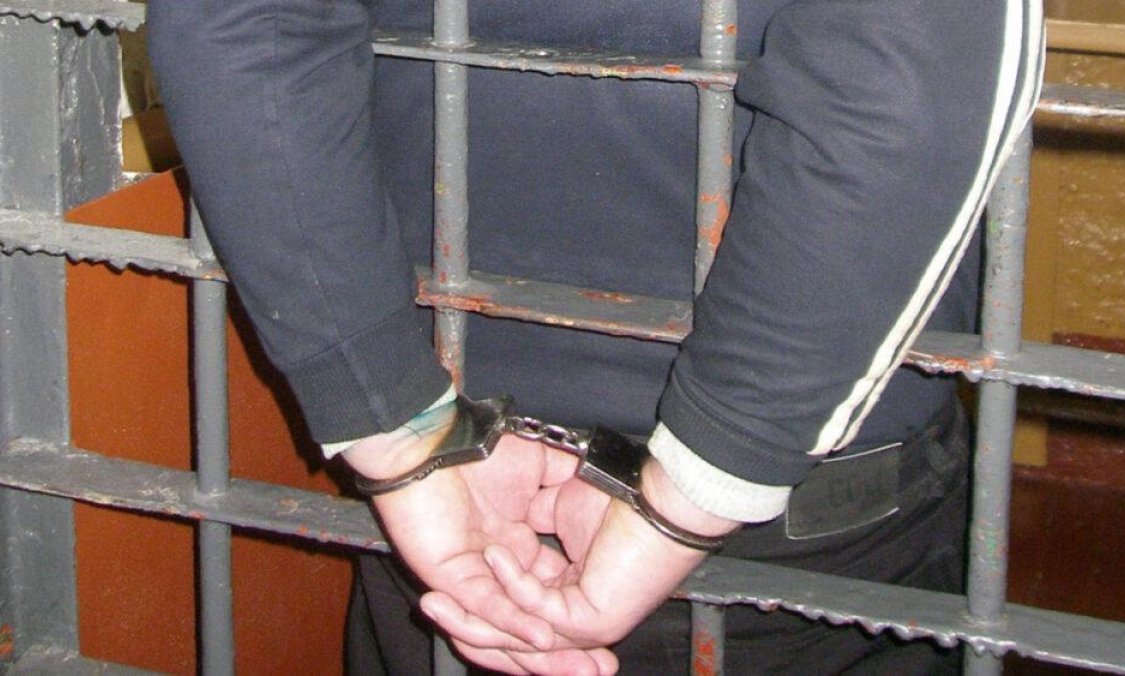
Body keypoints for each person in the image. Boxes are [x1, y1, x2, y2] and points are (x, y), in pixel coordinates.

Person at [147, 0, 1042, 673]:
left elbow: (248, 26)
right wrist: (704, 480)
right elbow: (913, 74)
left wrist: (395, 427)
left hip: (456, 464)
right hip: (778, 492)